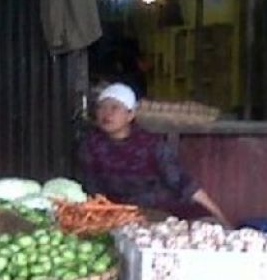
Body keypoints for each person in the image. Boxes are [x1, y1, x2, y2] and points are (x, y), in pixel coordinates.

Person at [78, 83, 230, 225]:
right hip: (119, 214)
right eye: (102, 107)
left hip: (163, 208)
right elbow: (92, 190)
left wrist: (218, 213)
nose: (107, 114)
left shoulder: (151, 144)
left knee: (208, 223)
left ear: (130, 115)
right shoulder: (90, 145)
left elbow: (182, 182)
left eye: (114, 108)